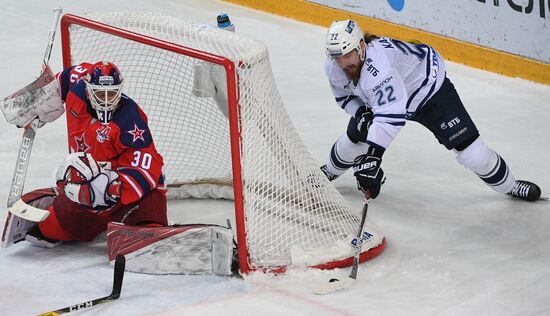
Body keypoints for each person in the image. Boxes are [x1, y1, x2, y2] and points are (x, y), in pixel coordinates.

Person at [320, 19, 542, 202]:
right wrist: (361, 113)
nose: (342, 62)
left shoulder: (378, 68)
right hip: (389, 94)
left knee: (474, 155)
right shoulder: (336, 66)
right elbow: (345, 97)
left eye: (347, 55)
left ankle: (510, 186)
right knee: (354, 138)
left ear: (360, 46)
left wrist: (373, 158)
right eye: (337, 57)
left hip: (428, 90)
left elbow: (391, 116)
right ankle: (328, 171)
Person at [11, 61, 168, 247]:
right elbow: (65, 79)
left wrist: (113, 190)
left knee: (150, 229)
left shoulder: (130, 118)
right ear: (89, 89)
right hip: (87, 185)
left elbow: (146, 165)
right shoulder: (77, 89)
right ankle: (60, 200)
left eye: (112, 93)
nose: (107, 100)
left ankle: (145, 225)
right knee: (49, 228)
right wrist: (38, 98)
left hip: (125, 188)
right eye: (101, 94)